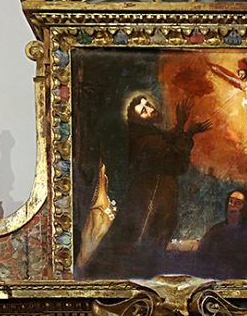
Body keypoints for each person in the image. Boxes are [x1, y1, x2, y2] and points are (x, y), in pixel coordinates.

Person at [85, 94, 210, 277]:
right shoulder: (146, 141)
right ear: (139, 120)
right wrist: (188, 133)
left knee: (144, 244)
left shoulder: (150, 134)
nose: (151, 109)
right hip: (151, 200)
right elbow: (175, 159)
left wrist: (181, 125)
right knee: (140, 244)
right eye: (144, 111)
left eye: (148, 105)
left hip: (154, 197)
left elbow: (167, 139)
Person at [196, 188, 247, 279]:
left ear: (246, 207)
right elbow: (202, 257)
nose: (232, 205)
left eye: (238, 203)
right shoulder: (215, 231)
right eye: (230, 201)